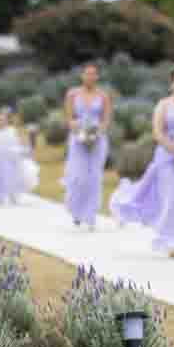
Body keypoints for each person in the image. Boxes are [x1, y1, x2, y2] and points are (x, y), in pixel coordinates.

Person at [109, 65, 174, 258]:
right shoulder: (163, 105)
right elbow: (158, 131)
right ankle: (169, 241)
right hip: (168, 157)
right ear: (172, 83)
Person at [61, 63, 112, 230]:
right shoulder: (72, 94)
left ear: (97, 77)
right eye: (87, 74)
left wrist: (96, 134)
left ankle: (90, 214)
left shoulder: (103, 96)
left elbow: (105, 120)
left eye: (93, 74)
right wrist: (79, 132)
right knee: (78, 177)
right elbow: (69, 118)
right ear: (82, 76)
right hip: (77, 139)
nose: (90, 77)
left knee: (94, 177)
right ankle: (76, 211)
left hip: (97, 140)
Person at [0, 107, 40, 204]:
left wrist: (25, 148)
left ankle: (13, 194)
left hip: (11, 157)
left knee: (13, 176)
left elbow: (19, 141)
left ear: (7, 120)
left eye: (4, 120)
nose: (2, 121)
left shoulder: (12, 130)